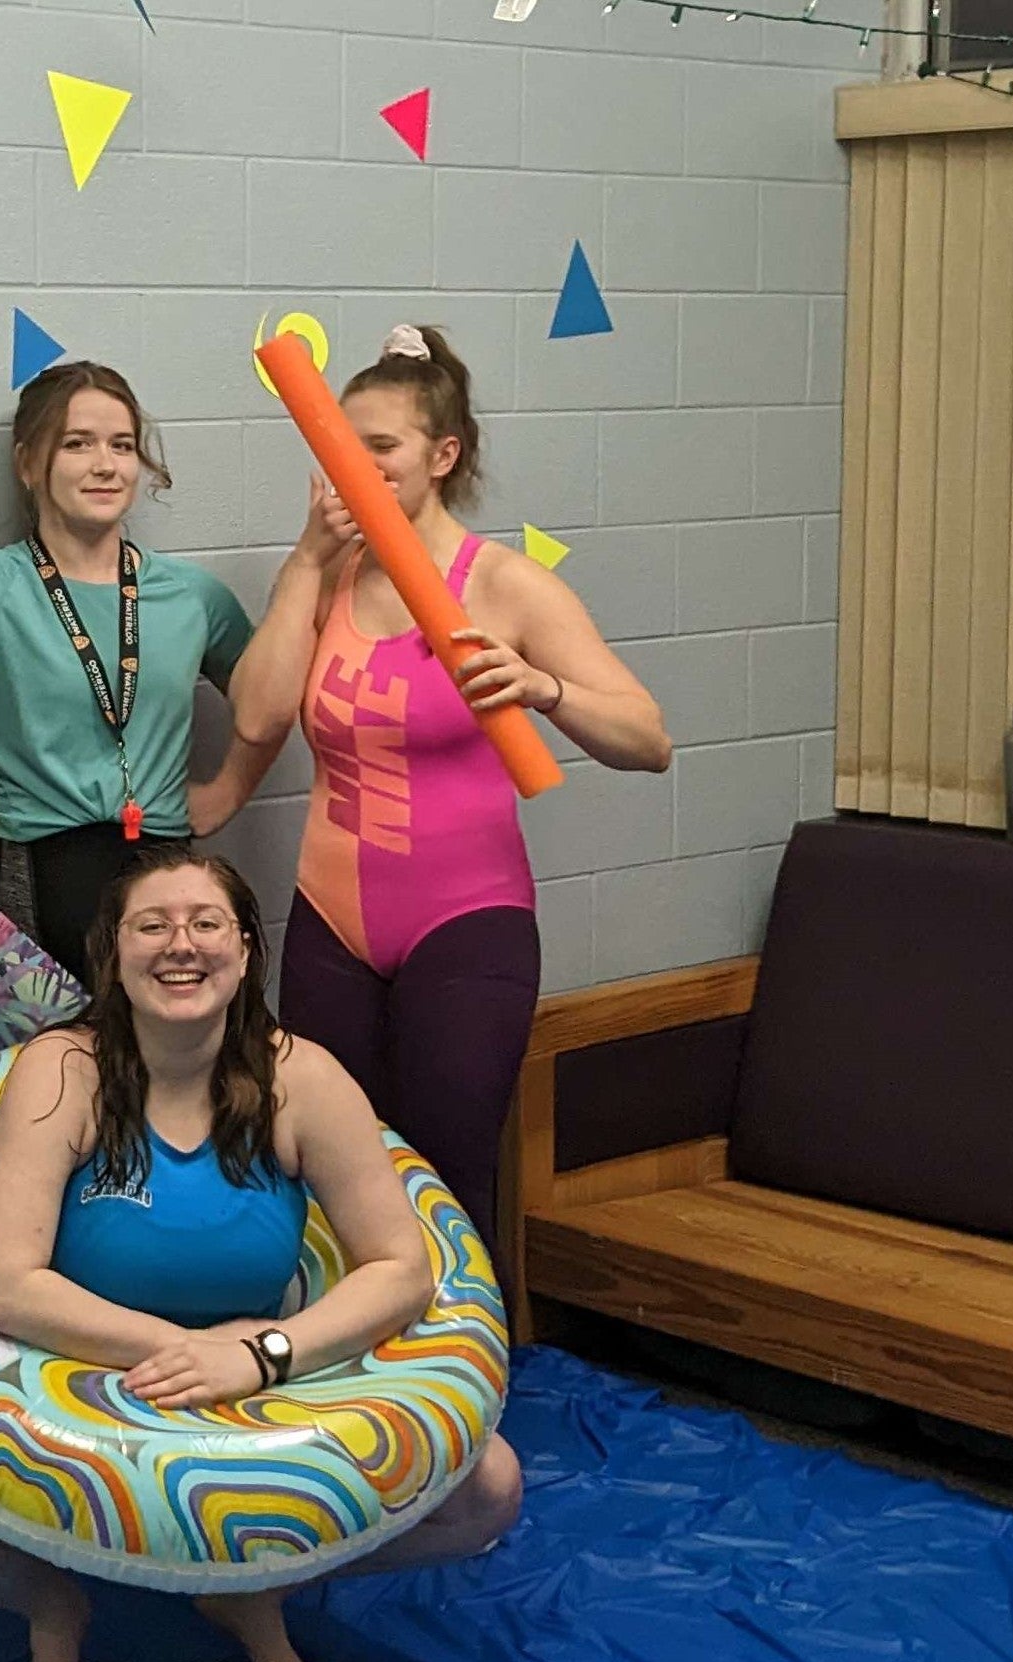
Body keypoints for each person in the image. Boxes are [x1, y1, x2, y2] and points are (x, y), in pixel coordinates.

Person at [0, 846, 525, 1662]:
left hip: (254, 1370)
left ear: (246, 950)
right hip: (81, 1372)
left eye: (207, 923)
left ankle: (256, 1589)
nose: (182, 945)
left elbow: (400, 1267)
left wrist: (258, 1354)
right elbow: (5, 1282)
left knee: (488, 1486)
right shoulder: (63, 1073)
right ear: (113, 952)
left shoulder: (303, 1080)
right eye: (152, 925)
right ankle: (53, 1612)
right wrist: (176, 1353)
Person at [191, 325, 672, 1265]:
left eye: (379, 448)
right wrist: (301, 563)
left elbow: (647, 740)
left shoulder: (502, 585)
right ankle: (352, 1386)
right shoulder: (328, 575)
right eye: (340, 446)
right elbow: (255, 717)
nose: (352, 468)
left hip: (466, 921)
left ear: (442, 456)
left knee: (444, 1176)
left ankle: (468, 1397)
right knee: (328, 1169)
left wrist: (546, 691)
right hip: (332, 919)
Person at [0, 362, 259, 1051]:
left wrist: (232, 784)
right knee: (34, 1130)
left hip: (167, 900)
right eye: (76, 443)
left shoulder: (192, 596)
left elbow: (273, 705)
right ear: (28, 462)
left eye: (122, 445)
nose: (104, 465)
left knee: (173, 1126)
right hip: (28, 907)